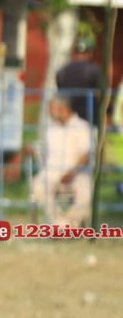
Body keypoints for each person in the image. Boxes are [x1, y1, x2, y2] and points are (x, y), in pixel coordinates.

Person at [31, 95, 93, 228]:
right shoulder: (51, 129)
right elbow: (44, 154)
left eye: (50, 108)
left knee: (87, 193)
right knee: (38, 186)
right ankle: (63, 225)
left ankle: (67, 225)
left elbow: (86, 154)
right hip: (52, 173)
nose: (48, 111)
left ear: (60, 108)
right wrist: (32, 151)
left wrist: (71, 173)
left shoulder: (82, 126)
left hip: (77, 172)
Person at [56, 35, 102, 124]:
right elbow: (100, 98)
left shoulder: (61, 72)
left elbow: (60, 98)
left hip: (66, 122)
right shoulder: (95, 71)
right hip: (88, 122)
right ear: (90, 53)